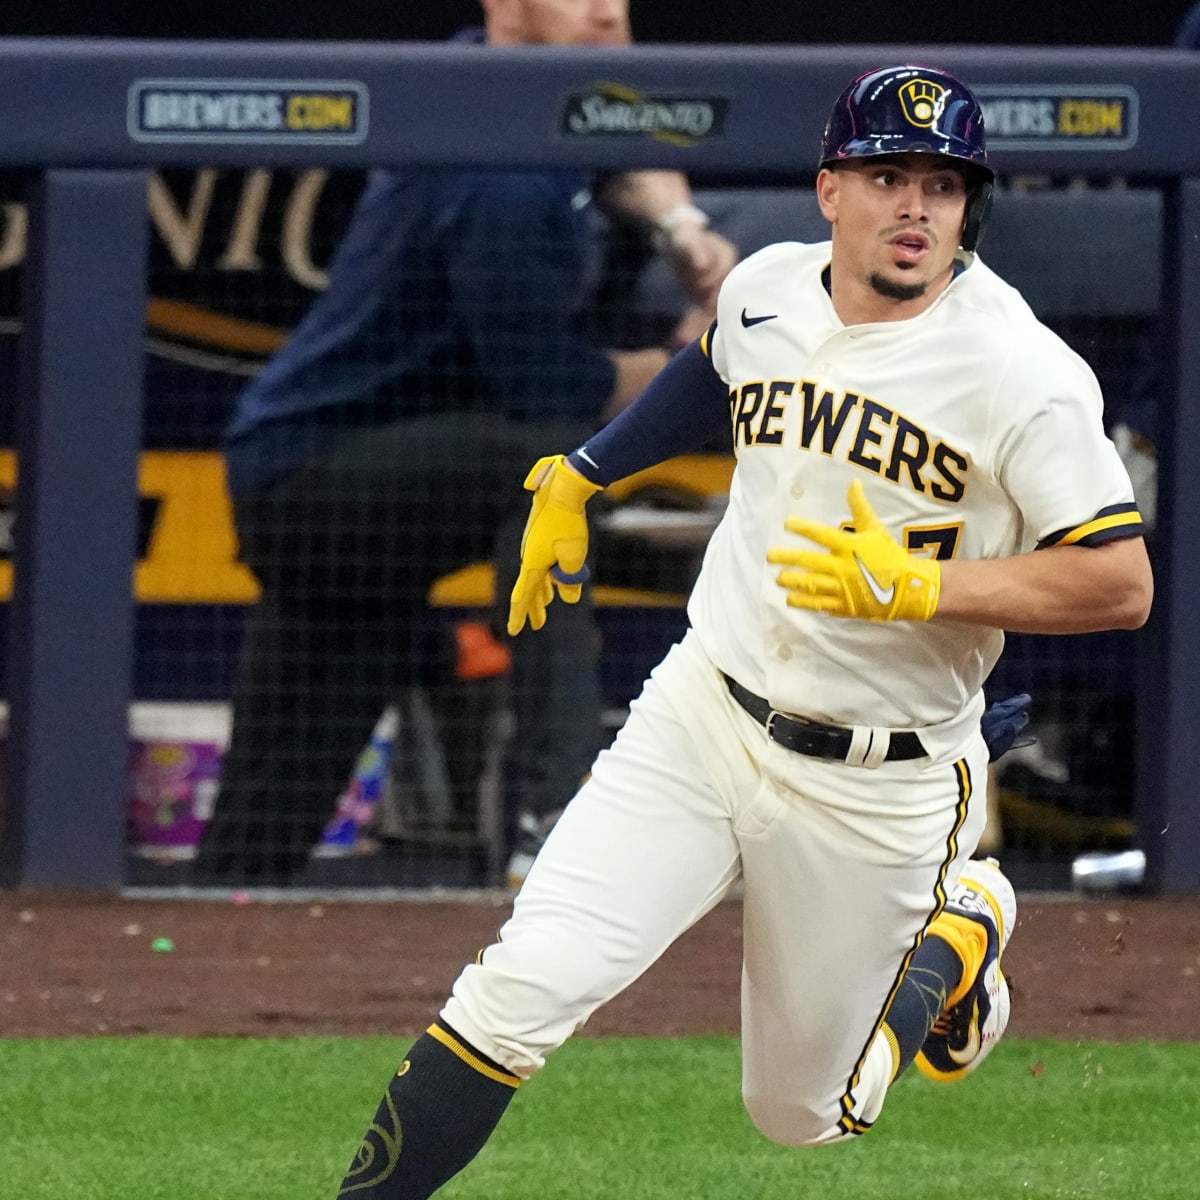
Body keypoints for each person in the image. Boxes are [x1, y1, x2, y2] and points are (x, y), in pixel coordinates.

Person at [333, 65, 1152, 1197]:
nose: (914, 207)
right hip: (703, 714)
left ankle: (962, 924)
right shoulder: (769, 284)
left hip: (881, 781)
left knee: (802, 1116)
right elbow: (715, 369)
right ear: (830, 189)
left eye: (943, 185)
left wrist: (926, 592)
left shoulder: (1021, 370)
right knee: (521, 986)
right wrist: (584, 472)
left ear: (970, 208)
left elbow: (1120, 582)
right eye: (886, 176)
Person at [190, 0, 738, 887]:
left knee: (268, 817)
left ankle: (210, 923)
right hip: (322, 481)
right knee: (548, 472)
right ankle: (554, 808)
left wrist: (678, 225)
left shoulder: (485, 83)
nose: (607, 11)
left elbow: (616, 145)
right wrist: (688, 355)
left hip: (369, 491)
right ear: (505, 9)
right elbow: (550, 386)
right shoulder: (497, 172)